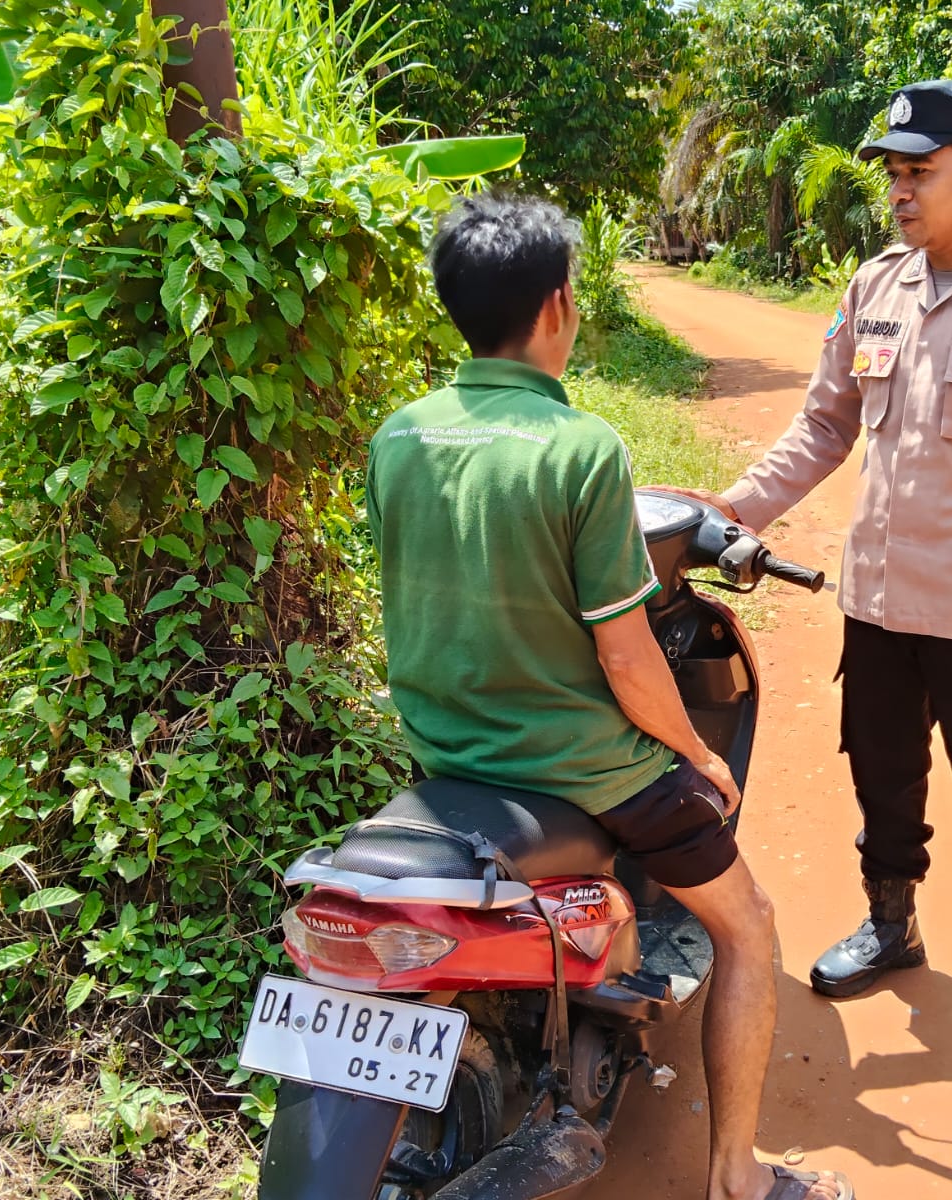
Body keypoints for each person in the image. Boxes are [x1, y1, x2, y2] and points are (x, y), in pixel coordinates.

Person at [364, 194, 852, 1200]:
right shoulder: (582, 450)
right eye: (575, 294)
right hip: (579, 770)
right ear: (554, 308)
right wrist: (698, 757)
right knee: (747, 924)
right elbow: (631, 665)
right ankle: (738, 1178)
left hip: (444, 762)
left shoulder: (398, 438)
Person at [667, 80, 952, 1080]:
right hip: (876, 603)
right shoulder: (876, 286)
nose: (899, 192)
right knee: (881, 780)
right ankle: (890, 922)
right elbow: (825, 425)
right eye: (893, 174)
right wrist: (732, 509)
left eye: (919, 172)